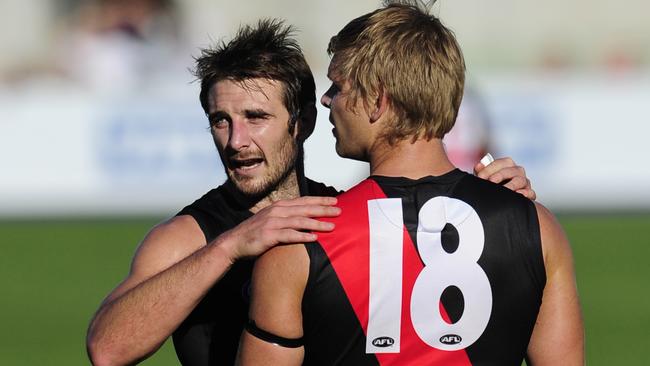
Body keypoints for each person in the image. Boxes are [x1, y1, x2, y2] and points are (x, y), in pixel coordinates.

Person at [86, 18, 537, 366]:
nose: (235, 140)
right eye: (220, 120)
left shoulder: (340, 217)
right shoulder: (189, 237)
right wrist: (229, 248)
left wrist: (487, 204)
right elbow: (107, 350)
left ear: (303, 122)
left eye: (255, 117)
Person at [237, 2, 584, 365]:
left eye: (337, 86)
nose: (326, 100)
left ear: (377, 100)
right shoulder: (538, 229)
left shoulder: (300, 239)